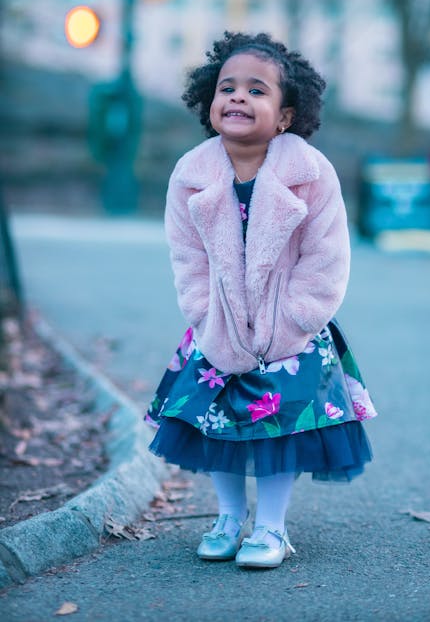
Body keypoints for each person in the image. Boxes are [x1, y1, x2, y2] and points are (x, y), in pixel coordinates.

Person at [145, 31, 377, 569]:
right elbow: (187, 256)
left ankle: (271, 526)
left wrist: (295, 319)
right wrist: (204, 315)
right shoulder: (191, 175)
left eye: (256, 90)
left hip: (293, 329)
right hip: (219, 325)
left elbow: (327, 257)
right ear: (210, 102)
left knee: (279, 430)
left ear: (286, 116)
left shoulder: (310, 174)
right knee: (218, 423)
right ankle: (229, 516)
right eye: (227, 88)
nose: (238, 98)